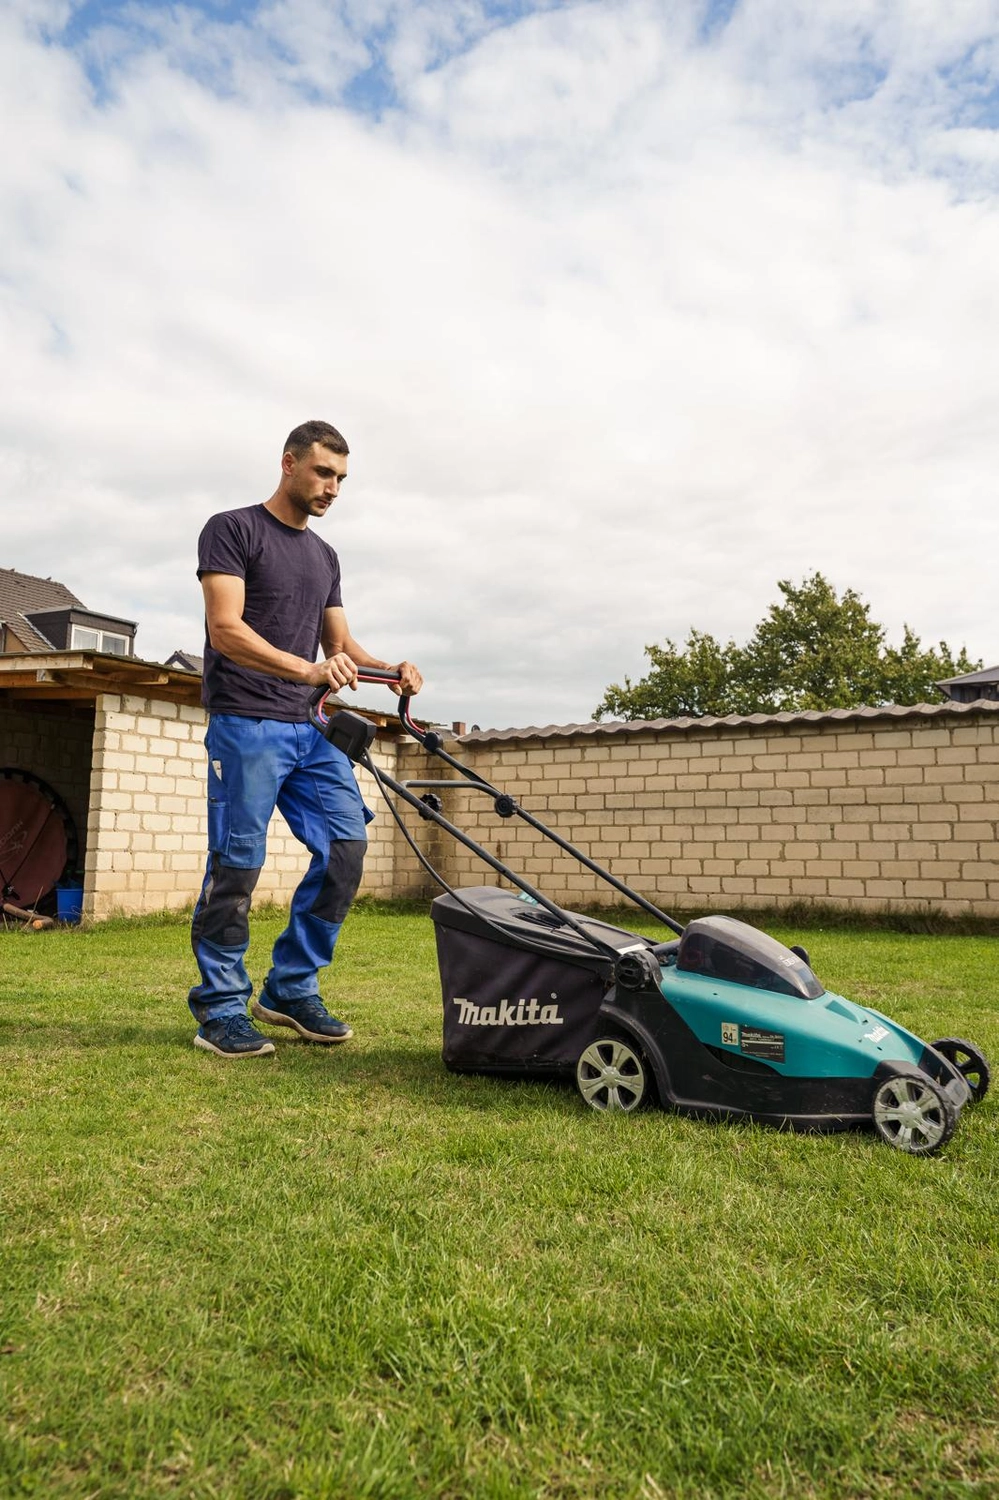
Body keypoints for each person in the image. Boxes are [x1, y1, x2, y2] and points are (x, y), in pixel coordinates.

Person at [189, 419, 423, 1058]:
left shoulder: (324, 556)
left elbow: (340, 646)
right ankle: (220, 1007)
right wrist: (308, 670)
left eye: (342, 479)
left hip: (310, 728)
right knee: (238, 864)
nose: (333, 489)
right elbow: (225, 629)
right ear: (289, 463)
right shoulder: (233, 529)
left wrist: (388, 670)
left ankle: (290, 986)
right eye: (324, 473)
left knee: (347, 847)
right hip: (246, 722)